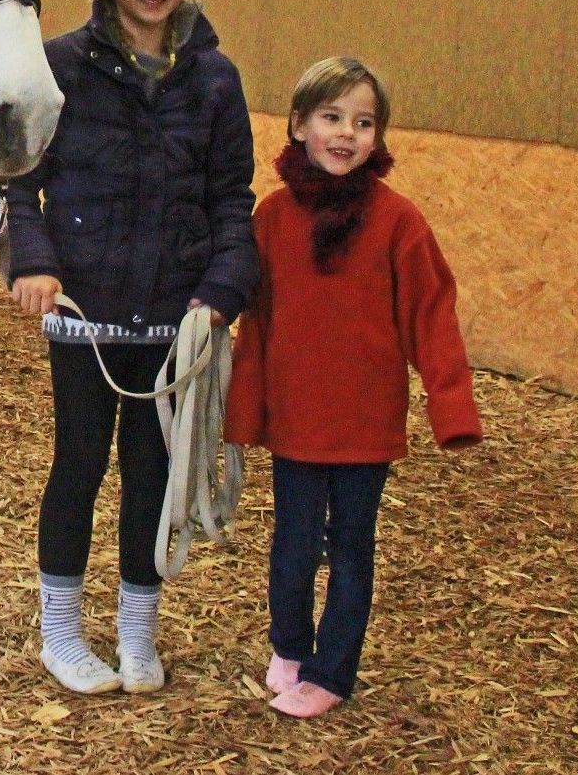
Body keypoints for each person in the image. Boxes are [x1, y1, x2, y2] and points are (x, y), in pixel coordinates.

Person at [0, 0, 258, 696]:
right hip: (86, 315)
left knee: (154, 471)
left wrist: (220, 291)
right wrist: (30, 262)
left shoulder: (213, 78)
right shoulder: (60, 65)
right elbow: (8, 173)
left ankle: (139, 631)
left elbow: (232, 197)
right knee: (78, 465)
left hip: (176, 317)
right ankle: (60, 631)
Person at [224, 56, 483, 719]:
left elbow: (431, 315)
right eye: (332, 117)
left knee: (350, 548)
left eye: (363, 122)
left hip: (365, 424)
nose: (346, 133)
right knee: (292, 541)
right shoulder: (274, 219)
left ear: (379, 136)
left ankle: (333, 670)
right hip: (297, 420)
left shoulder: (400, 222)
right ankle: (289, 644)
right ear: (300, 125)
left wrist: (451, 406)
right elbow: (260, 322)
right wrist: (244, 411)